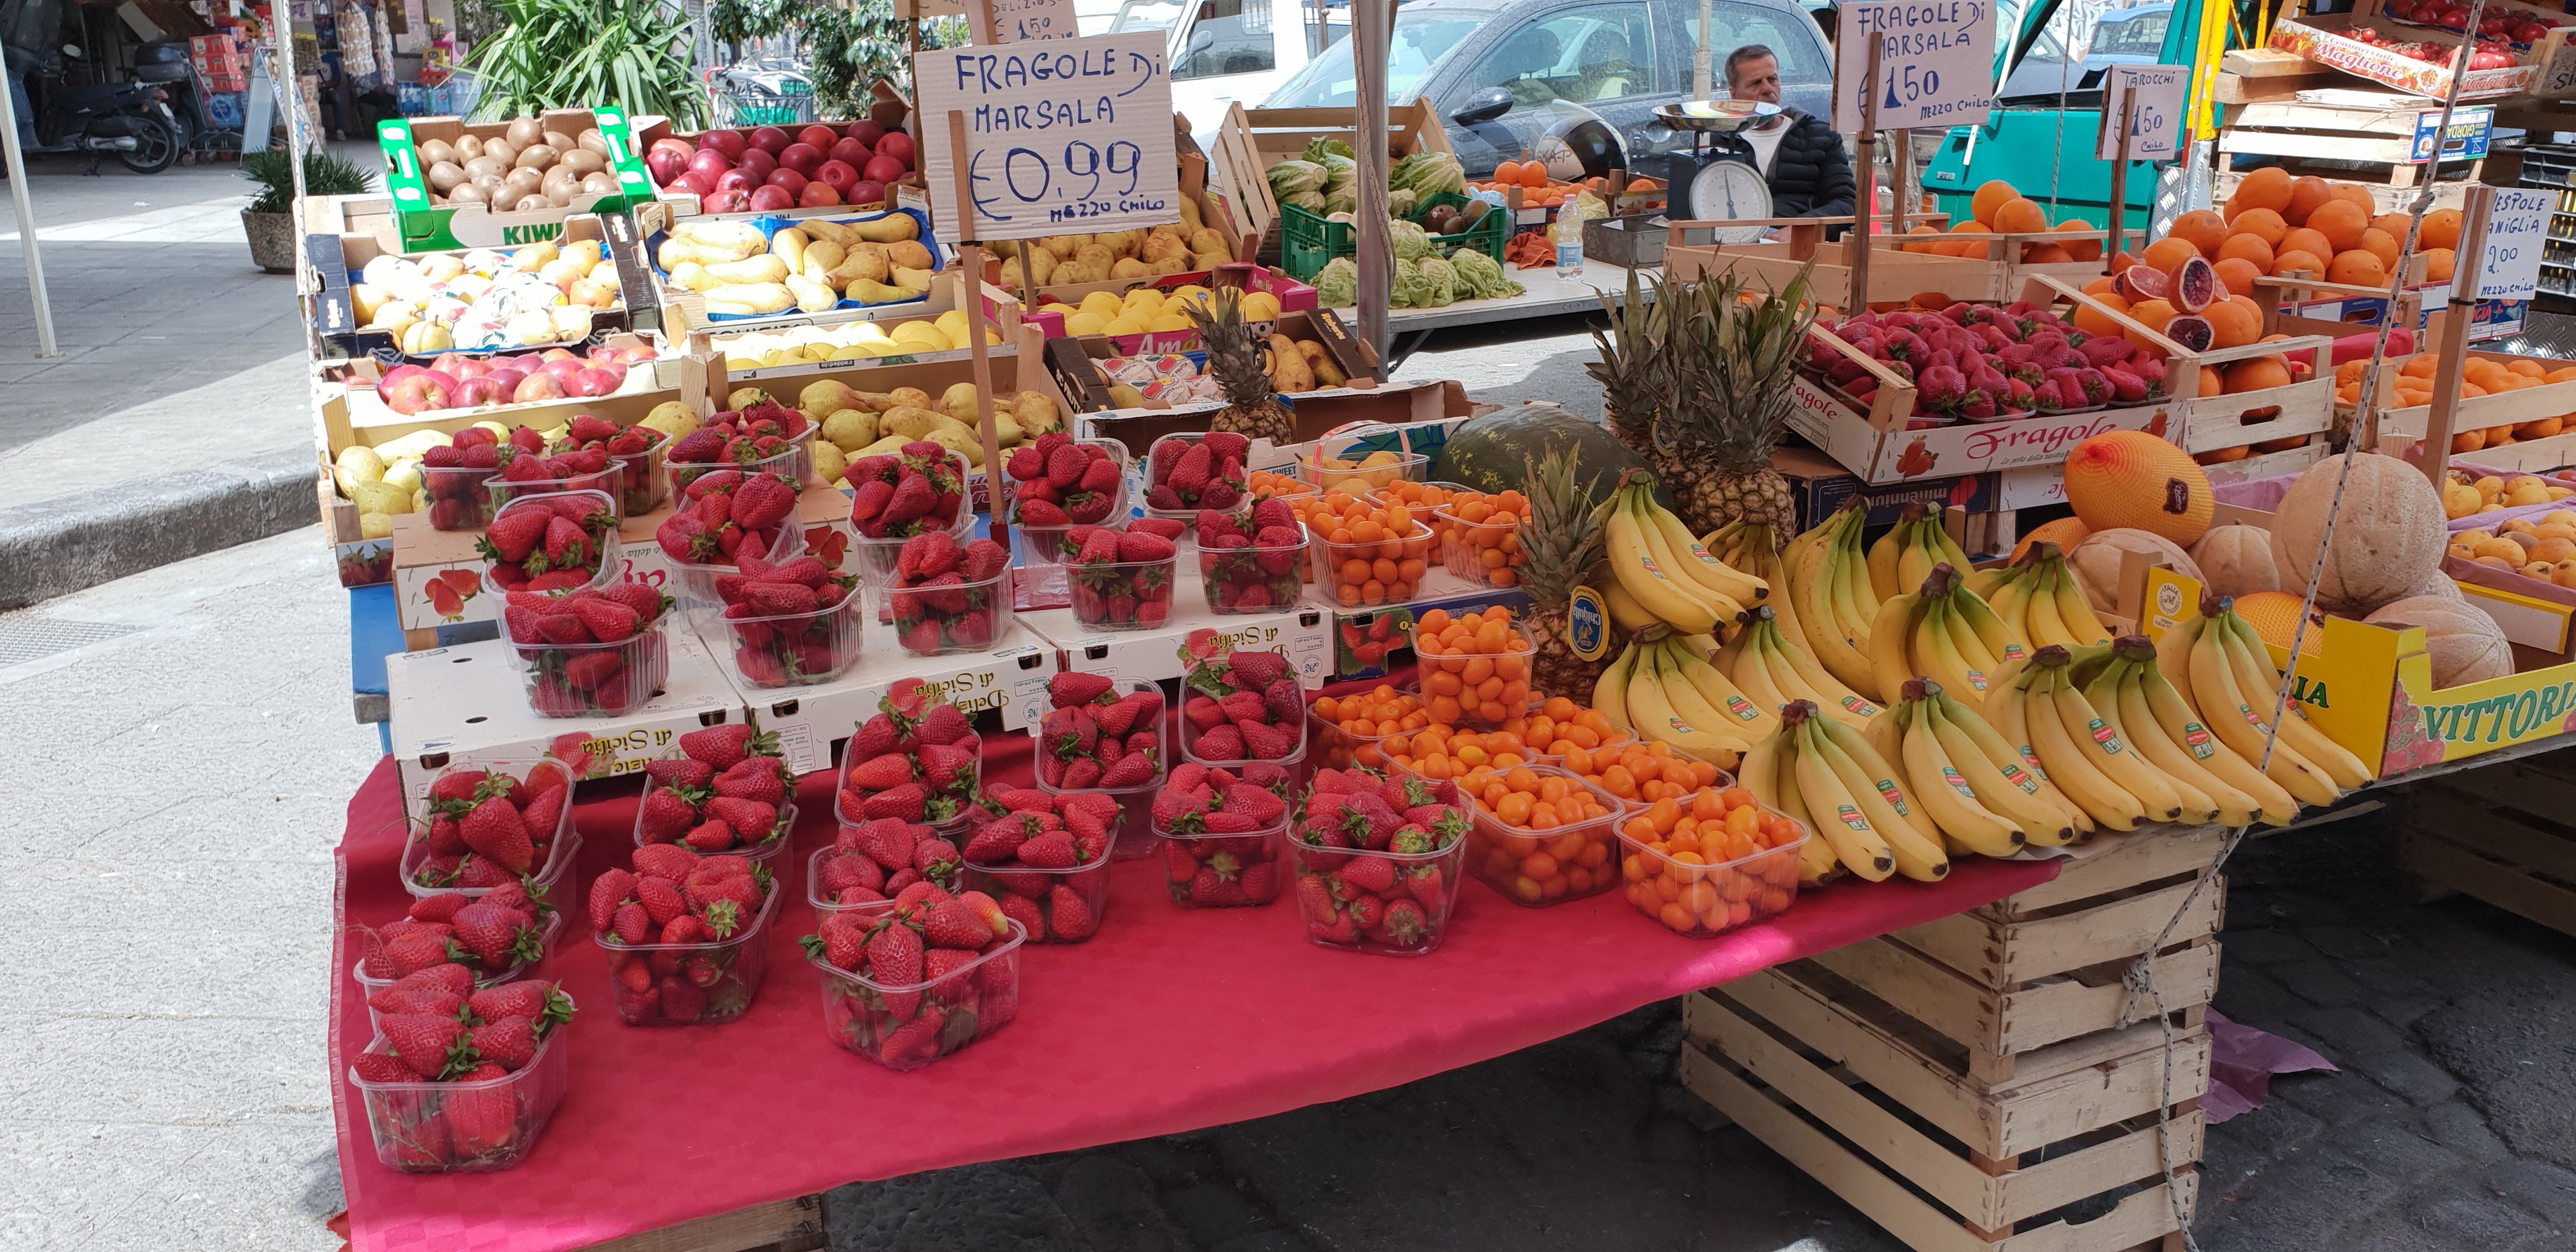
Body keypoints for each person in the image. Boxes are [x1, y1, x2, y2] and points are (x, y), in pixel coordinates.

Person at [1724, 44, 1854, 224]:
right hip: (1732, 246)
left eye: (1772, 79)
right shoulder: (1718, 142)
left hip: (1804, 247)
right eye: (1755, 83)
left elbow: (1846, 203)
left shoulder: (1819, 137)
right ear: (1734, 94)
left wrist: (1799, 229)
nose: (1768, 89)